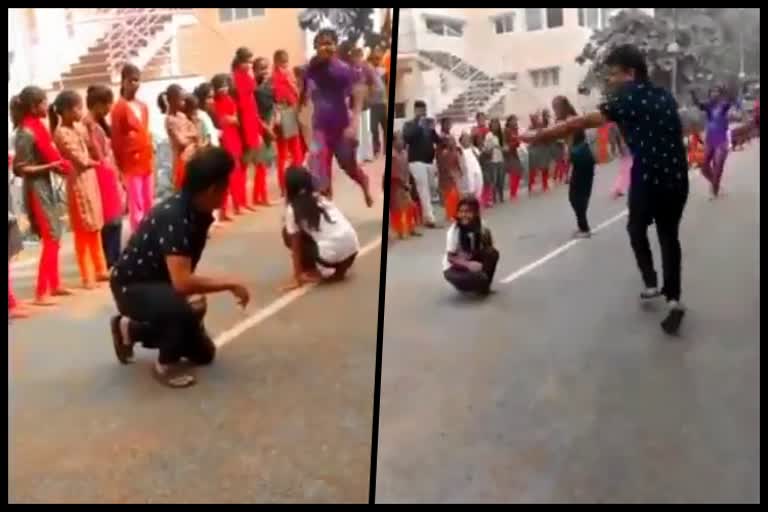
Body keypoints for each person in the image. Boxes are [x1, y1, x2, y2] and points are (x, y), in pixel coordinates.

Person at [521, 44, 688, 335]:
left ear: (630, 73)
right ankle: (673, 299)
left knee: (636, 229)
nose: (610, 81)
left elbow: (583, 121)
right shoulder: (665, 95)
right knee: (668, 236)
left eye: (613, 74)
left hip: (649, 177)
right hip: (677, 176)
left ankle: (651, 284)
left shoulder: (627, 96)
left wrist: (540, 135)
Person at [109, 147, 250, 388]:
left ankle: (129, 330)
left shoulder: (197, 212)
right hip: (131, 286)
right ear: (211, 190)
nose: (226, 193)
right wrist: (230, 283)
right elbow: (182, 282)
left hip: (161, 283)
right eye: (224, 188)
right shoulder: (175, 216)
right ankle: (165, 365)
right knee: (185, 307)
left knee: (204, 354)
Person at [13, 86, 74, 305]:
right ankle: (41, 292)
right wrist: (52, 165)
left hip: (45, 185)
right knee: (50, 236)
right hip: (35, 189)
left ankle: (55, 284)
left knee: (56, 234)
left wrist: (55, 166)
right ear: (33, 106)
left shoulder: (39, 127)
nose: (46, 105)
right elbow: (21, 168)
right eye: (43, 102)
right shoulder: (26, 132)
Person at [301, 29, 373, 207]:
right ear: (316, 47)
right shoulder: (310, 70)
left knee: (348, 166)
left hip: (341, 128)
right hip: (320, 129)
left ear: (335, 46)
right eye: (322, 44)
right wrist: (306, 131)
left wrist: (354, 122)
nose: (326, 47)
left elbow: (359, 92)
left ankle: (364, 183)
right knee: (319, 168)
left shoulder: (343, 70)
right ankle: (327, 205)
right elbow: (303, 100)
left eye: (329, 43)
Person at [50, 90, 109, 289]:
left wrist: (90, 129)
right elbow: (79, 159)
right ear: (65, 111)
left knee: (95, 227)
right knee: (83, 230)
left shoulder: (77, 127)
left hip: (89, 180)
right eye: (77, 108)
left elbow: (91, 145)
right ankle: (87, 275)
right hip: (77, 182)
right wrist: (94, 162)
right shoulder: (61, 133)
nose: (80, 111)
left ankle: (100, 269)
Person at [281, 166, 359, 291]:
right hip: (353, 249)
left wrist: (297, 277)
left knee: (287, 233)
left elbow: (295, 247)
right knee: (320, 235)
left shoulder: (293, 209)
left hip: (331, 255)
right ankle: (338, 268)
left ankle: (312, 270)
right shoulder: (322, 199)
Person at [82, 85, 125, 269]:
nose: (109, 108)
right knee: (109, 218)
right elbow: (95, 151)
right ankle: (109, 258)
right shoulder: (88, 124)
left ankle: (114, 255)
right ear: (98, 104)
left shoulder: (98, 123)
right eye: (107, 104)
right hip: (100, 172)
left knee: (116, 215)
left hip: (108, 170)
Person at [111, 64, 154, 232]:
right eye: (132, 80)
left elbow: (145, 132)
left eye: (138, 80)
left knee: (149, 200)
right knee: (136, 204)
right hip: (130, 163)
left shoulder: (143, 106)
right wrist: (121, 168)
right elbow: (116, 140)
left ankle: (151, 234)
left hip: (146, 158)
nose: (135, 84)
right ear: (123, 82)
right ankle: (139, 237)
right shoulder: (118, 108)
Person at [443, 195, 500, 296]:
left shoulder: (482, 225)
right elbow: (450, 257)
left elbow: (489, 247)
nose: (463, 215)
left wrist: (482, 261)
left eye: (468, 212)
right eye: (461, 211)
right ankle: (470, 284)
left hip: (471, 256)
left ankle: (484, 287)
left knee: (493, 253)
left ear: (476, 213)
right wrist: (468, 264)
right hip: (453, 268)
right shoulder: (454, 231)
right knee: (478, 277)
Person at [231, 47, 265, 206]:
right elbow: (244, 99)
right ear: (241, 62)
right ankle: (241, 202)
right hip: (246, 122)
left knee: (257, 162)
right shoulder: (238, 77)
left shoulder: (244, 75)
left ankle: (253, 199)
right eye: (248, 62)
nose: (250, 64)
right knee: (244, 165)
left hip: (252, 119)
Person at [691, 86, 738, 199]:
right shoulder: (708, 106)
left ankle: (714, 191)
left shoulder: (723, 106)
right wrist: (693, 94)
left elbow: (731, 99)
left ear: (719, 94)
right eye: (712, 91)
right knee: (703, 167)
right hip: (710, 140)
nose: (714, 94)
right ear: (709, 94)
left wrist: (727, 90)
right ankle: (715, 184)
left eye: (716, 92)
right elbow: (698, 104)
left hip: (721, 141)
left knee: (718, 166)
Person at [212, 73, 246, 222]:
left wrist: (231, 119)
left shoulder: (230, 99)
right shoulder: (214, 103)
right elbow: (221, 121)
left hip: (234, 138)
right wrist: (230, 119)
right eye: (221, 87)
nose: (224, 89)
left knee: (237, 173)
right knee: (228, 175)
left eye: (225, 86)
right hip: (225, 139)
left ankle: (238, 205)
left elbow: (235, 119)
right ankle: (223, 211)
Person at [402, 100, 440, 227]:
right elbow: (407, 138)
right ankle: (429, 218)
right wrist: (418, 125)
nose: (422, 112)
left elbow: (437, 140)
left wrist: (433, 129)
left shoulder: (428, 125)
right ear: (415, 110)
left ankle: (425, 213)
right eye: (420, 110)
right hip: (416, 162)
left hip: (429, 161)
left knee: (431, 187)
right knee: (423, 189)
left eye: (424, 110)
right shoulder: (409, 124)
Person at [272, 50, 303, 197]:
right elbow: (286, 96)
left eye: (286, 62)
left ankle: (292, 183)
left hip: (289, 112)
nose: (285, 65)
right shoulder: (277, 77)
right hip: (284, 112)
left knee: (292, 151)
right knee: (287, 151)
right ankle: (286, 186)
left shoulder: (285, 75)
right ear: (277, 62)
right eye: (283, 62)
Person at [158, 85, 200, 192]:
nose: (184, 103)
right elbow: (181, 142)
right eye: (181, 100)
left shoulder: (182, 116)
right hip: (182, 161)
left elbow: (196, 133)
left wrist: (189, 135)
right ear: (172, 100)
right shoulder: (170, 120)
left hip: (192, 158)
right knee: (183, 192)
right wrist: (192, 136)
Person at [252, 56, 277, 205]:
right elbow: (252, 112)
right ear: (254, 70)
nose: (265, 71)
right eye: (261, 68)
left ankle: (260, 197)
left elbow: (274, 106)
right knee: (260, 164)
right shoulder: (253, 89)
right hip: (258, 127)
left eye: (266, 67)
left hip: (269, 124)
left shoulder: (269, 86)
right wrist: (266, 128)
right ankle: (261, 198)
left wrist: (272, 124)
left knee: (265, 164)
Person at [389, 131, 419, 239]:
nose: (402, 141)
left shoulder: (404, 153)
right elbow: (394, 173)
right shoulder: (392, 155)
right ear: (393, 142)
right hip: (395, 186)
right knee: (397, 209)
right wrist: (404, 183)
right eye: (399, 139)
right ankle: (400, 232)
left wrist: (408, 182)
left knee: (411, 206)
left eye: (402, 138)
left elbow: (406, 169)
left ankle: (411, 229)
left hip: (405, 184)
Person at [435, 126, 462, 222]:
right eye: (450, 141)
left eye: (453, 140)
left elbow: (457, 163)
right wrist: (449, 173)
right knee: (449, 196)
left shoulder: (454, 151)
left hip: (454, 176)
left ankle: (455, 213)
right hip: (446, 178)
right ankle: (450, 214)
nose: (452, 142)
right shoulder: (442, 152)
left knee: (456, 196)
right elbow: (442, 165)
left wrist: (459, 172)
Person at [367, 45, 389, 158]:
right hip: (373, 105)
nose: (377, 60)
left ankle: (386, 149)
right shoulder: (368, 71)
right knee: (374, 128)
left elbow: (386, 84)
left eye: (378, 58)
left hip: (383, 103)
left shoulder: (383, 71)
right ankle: (376, 149)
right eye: (374, 58)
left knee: (386, 127)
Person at [484, 118, 505, 205]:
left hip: (500, 159)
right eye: (493, 124)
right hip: (492, 160)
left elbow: (503, 146)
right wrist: (495, 146)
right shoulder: (489, 135)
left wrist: (501, 148)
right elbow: (487, 147)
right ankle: (493, 198)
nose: (495, 126)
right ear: (490, 126)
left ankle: (501, 196)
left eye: (496, 124)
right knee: (494, 180)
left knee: (501, 179)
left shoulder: (500, 135)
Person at [192, 82, 220, 148]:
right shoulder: (200, 116)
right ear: (201, 98)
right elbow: (206, 139)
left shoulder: (205, 114)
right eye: (209, 97)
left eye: (213, 97)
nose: (212, 101)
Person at [458, 132, 483, 204]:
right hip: (467, 172)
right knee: (470, 190)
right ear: (461, 141)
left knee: (479, 187)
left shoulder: (474, 148)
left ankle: (477, 204)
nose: (466, 140)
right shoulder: (459, 150)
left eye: (468, 138)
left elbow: (478, 158)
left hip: (477, 170)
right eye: (464, 138)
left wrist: (472, 149)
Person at [503, 115, 523, 200]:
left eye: (515, 120)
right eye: (513, 120)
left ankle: (514, 192)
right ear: (509, 121)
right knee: (514, 173)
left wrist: (517, 142)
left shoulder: (515, 130)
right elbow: (506, 143)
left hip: (515, 153)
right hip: (509, 154)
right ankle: (513, 193)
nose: (515, 122)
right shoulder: (507, 130)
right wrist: (516, 142)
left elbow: (517, 141)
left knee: (518, 172)